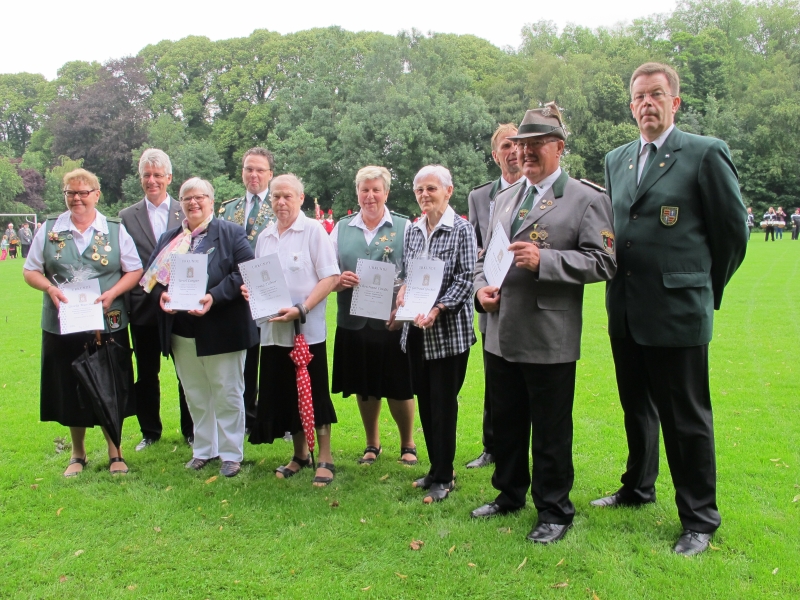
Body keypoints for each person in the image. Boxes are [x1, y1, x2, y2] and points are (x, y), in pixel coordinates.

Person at [597, 62, 747, 556]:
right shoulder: (616, 159)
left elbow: (732, 234)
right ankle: (638, 487)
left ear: (674, 102)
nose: (647, 104)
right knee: (636, 408)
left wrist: (701, 289)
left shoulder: (704, 153)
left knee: (686, 419)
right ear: (631, 106)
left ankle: (700, 518)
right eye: (639, 97)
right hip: (625, 308)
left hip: (677, 312)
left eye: (656, 94)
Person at [469, 105, 616, 545]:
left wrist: (545, 261)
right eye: (521, 145)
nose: (525, 153)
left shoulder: (586, 198)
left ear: (559, 148)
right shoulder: (505, 197)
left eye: (536, 144)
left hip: (549, 335)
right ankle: (509, 494)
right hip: (501, 331)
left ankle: (554, 511)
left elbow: (604, 261)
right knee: (507, 423)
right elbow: (484, 258)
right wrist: (479, 290)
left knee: (550, 430)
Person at [22, 168, 143, 476]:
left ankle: (116, 452)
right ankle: (78, 454)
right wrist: (49, 288)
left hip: (106, 323)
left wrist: (113, 293)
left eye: (83, 192)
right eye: (70, 193)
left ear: (96, 195)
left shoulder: (114, 229)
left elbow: (134, 270)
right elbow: (30, 270)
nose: (77, 198)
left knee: (109, 386)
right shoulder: (49, 229)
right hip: (63, 323)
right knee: (70, 385)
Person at [143, 177, 257, 478]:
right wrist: (161, 295)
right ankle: (204, 449)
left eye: (200, 197)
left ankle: (231, 454)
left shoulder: (231, 233)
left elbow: (244, 272)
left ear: (211, 200)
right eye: (187, 198)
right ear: (181, 204)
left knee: (227, 392)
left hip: (223, 329)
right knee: (194, 393)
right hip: (182, 330)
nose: (193, 203)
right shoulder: (169, 239)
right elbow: (152, 279)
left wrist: (213, 297)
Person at [246, 174, 340, 486]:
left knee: (314, 392)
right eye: (276, 197)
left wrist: (302, 308)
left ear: (301, 198)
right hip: (274, 332)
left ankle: (325, 456)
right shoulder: (265, 236)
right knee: (288, 393)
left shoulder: (313, 231)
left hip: (306, 332)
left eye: (288, 196)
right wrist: (251, 292)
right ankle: (300, 454)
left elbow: (330, 278)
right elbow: (260, 279)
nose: (281, 202)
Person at [393, 164, 477, 504]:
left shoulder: (462, 230)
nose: (425, 195)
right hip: (415, 333)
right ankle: (435, 468)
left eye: (431, 188)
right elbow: (407, 272)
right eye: (419, 190)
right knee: (426, 403)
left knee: (443, 405)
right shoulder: (414, 230)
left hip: (447, 335)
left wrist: (438, 308)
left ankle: (444, 476)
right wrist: (402, 290)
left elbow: (466, 279)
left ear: (448, 191)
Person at [330, 166, 416, 466]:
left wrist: (403, 307)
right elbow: (327, 271)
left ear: (386, 193)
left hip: (392, 321)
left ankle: (408, 443)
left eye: (375, 190)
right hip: (354, 321)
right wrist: (339, 280)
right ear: (357, 193)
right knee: (364, 385)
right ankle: (372, 443)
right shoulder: (341, 228)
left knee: (399, 386)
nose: (370, 196)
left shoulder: (405, 227)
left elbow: (415, 272)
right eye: (364, 190)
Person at [119, 148, 193, 451]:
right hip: (144, 307)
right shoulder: (126, 217)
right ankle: (150, 431)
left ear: (169, 178)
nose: (152, 181)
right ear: (141, 179)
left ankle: (191, 430)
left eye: (158, 175)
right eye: (147, 175)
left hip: (180, 306)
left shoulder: (186, 210)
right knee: (147, 372)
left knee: (186, 371)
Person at [465, 122, 523, 470]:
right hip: (493, 301)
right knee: (494, 380)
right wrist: (480, 286)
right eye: (506, 146)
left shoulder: (538, 192)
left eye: (517, 144)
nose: (513, 151)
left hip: (528, 299)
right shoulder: (480, 196)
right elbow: (476, 248)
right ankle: (492, 447)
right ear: (495, 154)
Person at [219, 147, 276, 432]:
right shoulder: (227, 209)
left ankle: (274, 418)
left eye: (260, 170)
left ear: (270, 174)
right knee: (244, 359)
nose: (254, 175)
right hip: (235, 295)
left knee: (274, 357)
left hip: (270, 291)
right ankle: (245, 417)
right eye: (248, 169)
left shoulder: (279, 205)